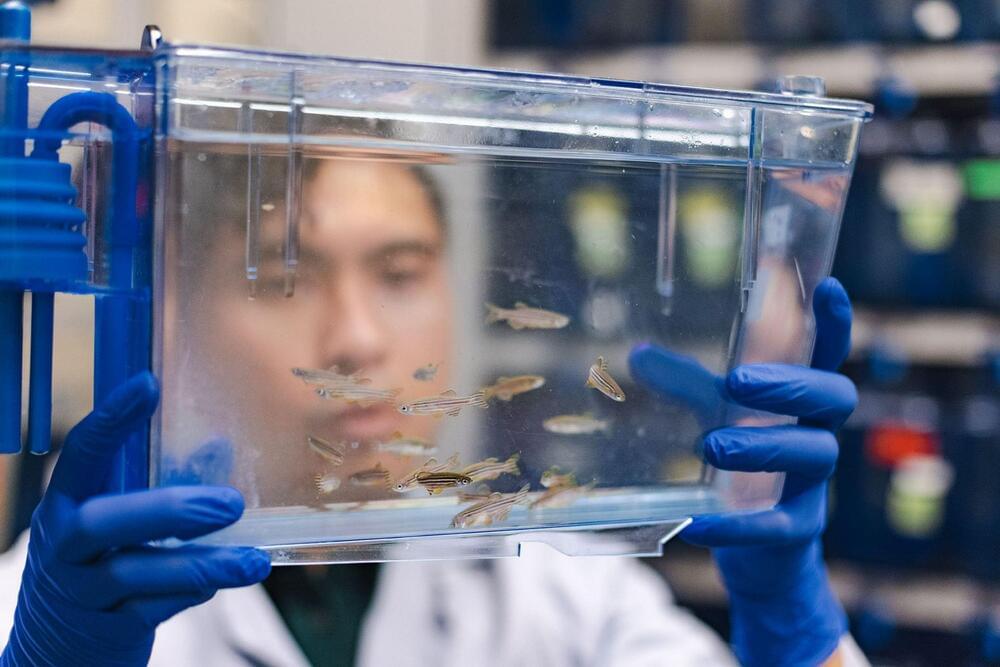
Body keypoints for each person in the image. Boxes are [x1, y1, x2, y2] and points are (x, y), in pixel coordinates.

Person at [0, 153, 866, 666]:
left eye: (400, 274)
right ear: (181, 316)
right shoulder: (51, 614)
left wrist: (795, 630)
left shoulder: (563, 594)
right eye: (285, 277)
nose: (356, 338)